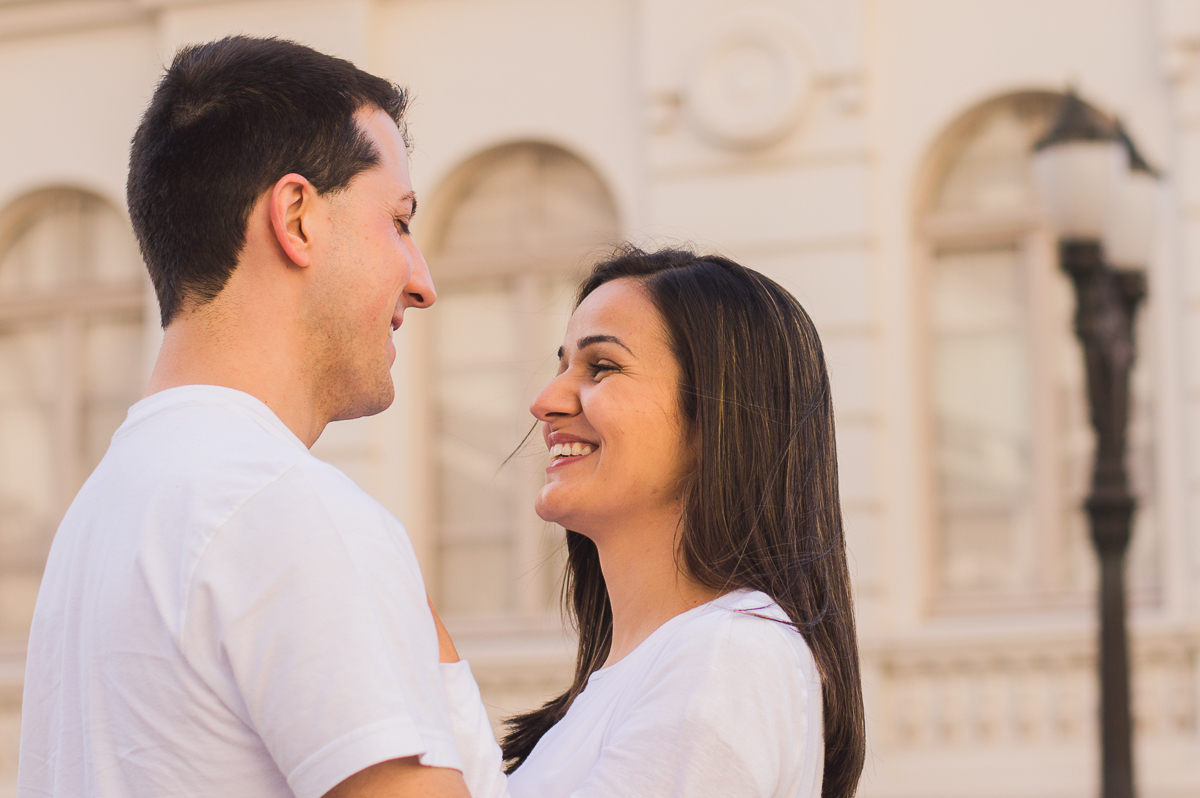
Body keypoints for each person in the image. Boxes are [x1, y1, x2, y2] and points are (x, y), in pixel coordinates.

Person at [19, 36, 499, 798]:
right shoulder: (285, 508)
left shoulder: (102, 516)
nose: (422, 283)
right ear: (298, 217)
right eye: (400, 223)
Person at [489, 247, 867, 797]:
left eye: (602, 367)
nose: (545, 401)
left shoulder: (731, 656)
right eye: (562, 365)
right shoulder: (655, 671)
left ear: (717, 416)